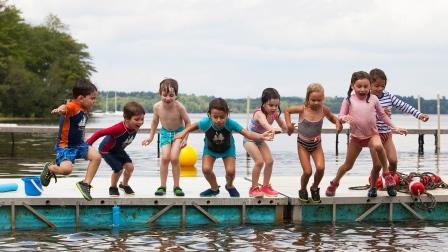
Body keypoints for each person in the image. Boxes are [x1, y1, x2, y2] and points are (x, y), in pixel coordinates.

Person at [325, 71, 407, 198]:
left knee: (379, 146)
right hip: (356, 138)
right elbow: (340, 116)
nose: (363, 89)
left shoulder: (373, 99)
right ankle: (334, 182)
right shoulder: (348, 100)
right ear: (352, 85)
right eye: (359, 86)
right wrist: (344, 118)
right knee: (347, 165)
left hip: (372, 135)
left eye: (366, 86)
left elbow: (383, 115)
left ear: (369, 86)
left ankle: (386, 174)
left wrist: (395, 127)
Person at [175, 98, 273, 197]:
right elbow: (192, 126)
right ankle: (214, 188)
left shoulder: (230, 123)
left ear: (227, 114)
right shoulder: (205, 122)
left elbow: (247, 133)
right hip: (210, 149)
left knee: (230, 171)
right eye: (215, 117)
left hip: (227, 149)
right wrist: (183, 132)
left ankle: (229, 186)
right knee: (206, 169)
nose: (218, 120)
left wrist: (260, 136)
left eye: (222, 117)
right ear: (209, 115)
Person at [40, 79, 102, 201]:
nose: (94, 102)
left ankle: (85, 184)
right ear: (80, 98)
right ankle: (50, 168)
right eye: (92, 98)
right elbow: (66, 107)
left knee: (97, 157)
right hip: (66, 147)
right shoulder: (72, 107)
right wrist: (61, 109)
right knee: (66, 170)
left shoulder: (84, 107)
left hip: (79, 145)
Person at [284, 83, 342, 203]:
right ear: (308, 99)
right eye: (313, 100)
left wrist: (338, 123)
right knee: (308, 171)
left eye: (319, 100)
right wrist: (289, 124)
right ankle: (303, 189)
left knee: (321, 168)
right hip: (302, 145)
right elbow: (287, 110)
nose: (316, 102)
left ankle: (314, 188)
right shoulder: (302, 109)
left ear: (323, 99)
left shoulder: (324, 110)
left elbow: (332, 118)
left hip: (316, 145)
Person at [370, 68, 429, 175]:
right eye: (376, 86)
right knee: (377, 165)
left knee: (393, 161)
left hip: (387, 134)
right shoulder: (366, 98)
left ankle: (390, 182)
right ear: (370, 84)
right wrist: (379, 112)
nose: (380, 89)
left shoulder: (388, 96)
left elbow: (404, 106)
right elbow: (364, 117)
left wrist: (419, 115)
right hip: (374, 135)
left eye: (383, 86)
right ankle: (374, 185)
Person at [142, 78, 191, 197]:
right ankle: (162, 186)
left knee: (174, 158)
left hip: (178, 133)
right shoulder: (157, 107)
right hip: (164, 133)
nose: (167, 98)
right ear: (160, 94)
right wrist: (151, 137)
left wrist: (185, 138)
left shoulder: (179, 107)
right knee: (165, 158)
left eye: (171, 95)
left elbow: (188, 123)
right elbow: (154, 122)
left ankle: (177, 186)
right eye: (164, 95)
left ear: (176, 95)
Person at [86, 101, 145, 197]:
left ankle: (124, 185)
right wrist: (88, 144)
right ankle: (113, 187)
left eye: (142, 119)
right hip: (106, 150)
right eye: (137, 119)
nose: (140, 122)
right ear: (126, 119)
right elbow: (99, 133)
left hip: (118, 149)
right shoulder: (118, 128)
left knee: (130, 167)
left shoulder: (135, 127)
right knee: (118, 169)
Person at [244, 88, 287, 198]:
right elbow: (264, 124)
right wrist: (272, 129)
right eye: (270, 105)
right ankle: (253, 188)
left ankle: (266, 187)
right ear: (263, 103)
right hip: (249, 139)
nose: (274, 108)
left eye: (276, 106)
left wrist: (291, 128)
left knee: (269, 161)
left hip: (260, 140)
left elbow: (283, 126)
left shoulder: (275, 114)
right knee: (259, 162)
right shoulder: (259, 113)